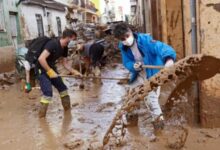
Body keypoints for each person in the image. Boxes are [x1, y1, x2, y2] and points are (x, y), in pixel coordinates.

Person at [113, 23, 176, 131]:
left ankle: (159, 128)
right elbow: (126, 62)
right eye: (122, 39)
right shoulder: (124, 47)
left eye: (127, 36)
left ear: (130, 31)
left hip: (153, 73)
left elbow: (161, 47)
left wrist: (169, 59)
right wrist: (133, 66)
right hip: (139, 74)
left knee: (151, 100)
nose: (126, 40)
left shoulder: (145, 40)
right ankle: (132, 123)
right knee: (132, 97)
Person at [37, 29, 81, 118]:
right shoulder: (53, 44)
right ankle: (41, 118)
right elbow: (41, 59)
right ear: (68, 37)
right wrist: (49, 71)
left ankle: (68, 114)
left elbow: (65, 63)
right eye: (73, 39)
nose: (74, 42)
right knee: (48, 93)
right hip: (41, 69)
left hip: (52, 68)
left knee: (63, 89)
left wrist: (74, 71)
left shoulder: (65, 48)